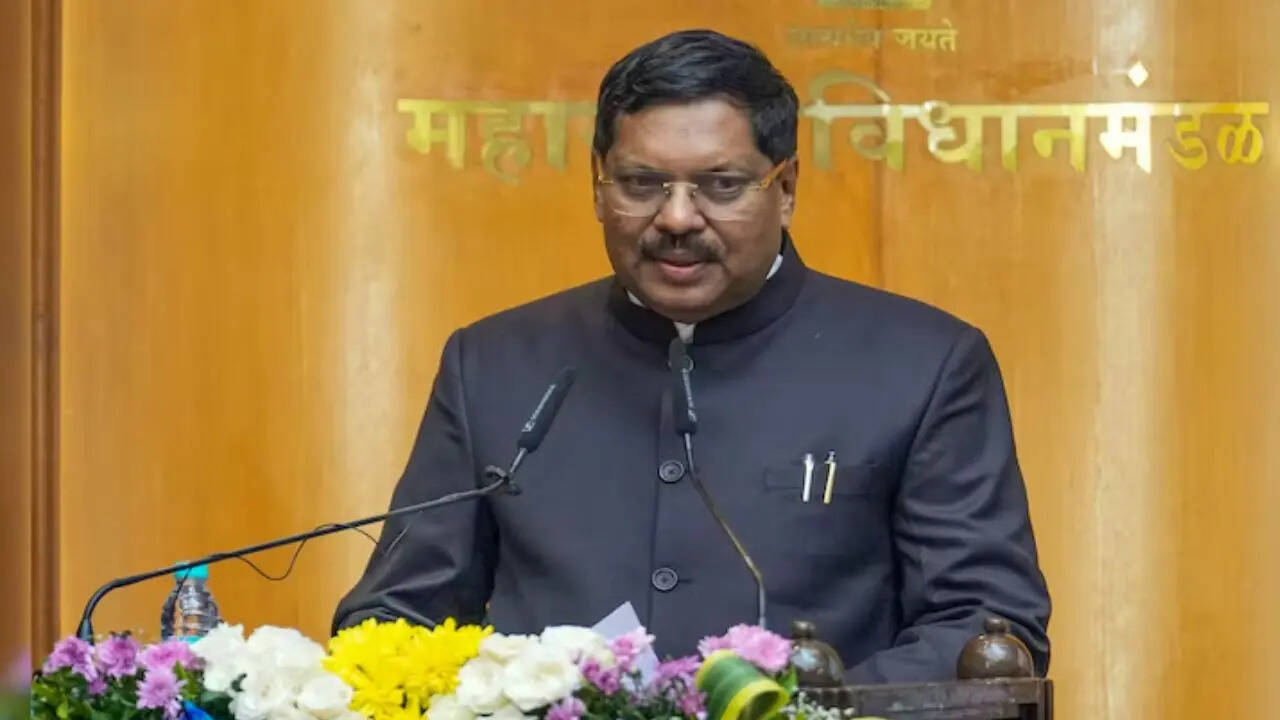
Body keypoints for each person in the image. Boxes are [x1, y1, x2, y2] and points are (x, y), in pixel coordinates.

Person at [333, 28, 1051, 683]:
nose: (676, 218)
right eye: (642, 184)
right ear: (597, 184)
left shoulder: (922, 364)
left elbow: (984, 629)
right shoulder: (494, 364)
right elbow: (397, 619)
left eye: (721, 186)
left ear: (786, 189)